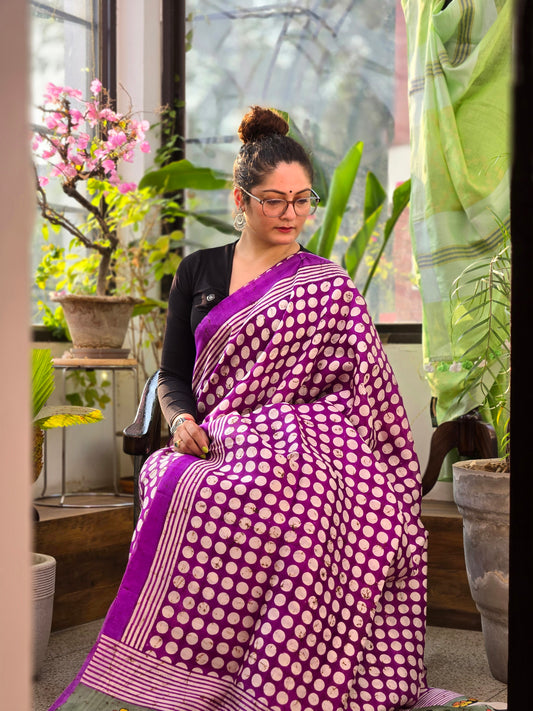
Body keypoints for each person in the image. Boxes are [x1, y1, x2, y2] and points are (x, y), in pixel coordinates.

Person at [48, 107, 502, 711]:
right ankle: (179, 675)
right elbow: (174, 374)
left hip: (311, 438)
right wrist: (180, 420)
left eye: (302, 200)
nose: (291, 214)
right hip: (213, 438)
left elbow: (362, 384)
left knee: (312, 496)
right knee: (180, 482)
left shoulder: (326, 283)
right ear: (241, 199)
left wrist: (299, 426)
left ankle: (276, 678)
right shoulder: (199, 271)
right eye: (273, 201)